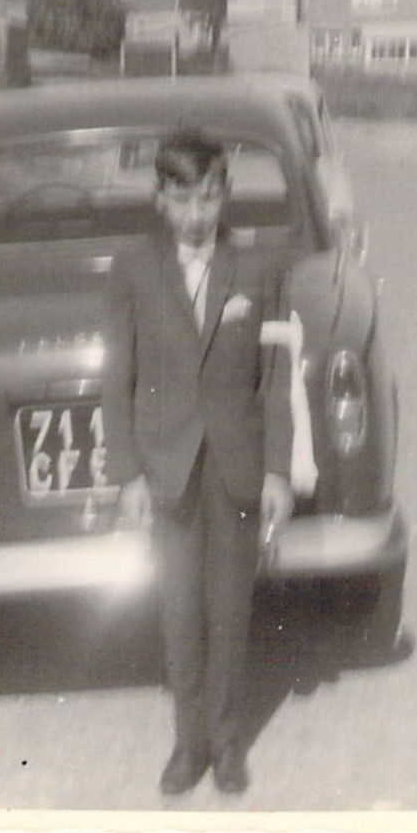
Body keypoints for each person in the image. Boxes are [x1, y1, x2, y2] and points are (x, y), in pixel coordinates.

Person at [101, 127, 295, 797]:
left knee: (229, 610)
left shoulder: (257, 271)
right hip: (168, 470)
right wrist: (126, 473)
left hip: (236, 466)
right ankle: (189, 745)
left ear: (224, 196)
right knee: (180, 614)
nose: (196, 216)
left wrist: (276, 471)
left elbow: (273, 380)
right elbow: (115, 378)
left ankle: (228, 742)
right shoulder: (132, 271)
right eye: (182, 201)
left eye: (209, 199)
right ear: (159, 199)